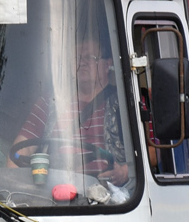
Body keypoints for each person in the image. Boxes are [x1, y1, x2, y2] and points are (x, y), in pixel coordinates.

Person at [9, 37, 130, 187]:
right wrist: (13, 186)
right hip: (53, 192)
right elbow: (23, 147)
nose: (82, 62)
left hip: (111, 200)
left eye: (90, 57)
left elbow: (152, 152)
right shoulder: (49, 103)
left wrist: (125, 172)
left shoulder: (124, 104)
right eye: (76, 57)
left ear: (108, 64)